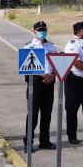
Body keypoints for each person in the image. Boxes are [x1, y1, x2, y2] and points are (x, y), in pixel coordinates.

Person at [25, 21, 57, 150]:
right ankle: (28, 142)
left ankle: (44, 140)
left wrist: (53, 75)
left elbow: (55, 62)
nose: (42, 32)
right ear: (34, 31)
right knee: (33, 114)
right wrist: (45, 76)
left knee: (47, 114)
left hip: (50, 82)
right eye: (39, 30)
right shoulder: (29, 46)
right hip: (36, 82)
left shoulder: (51, 46)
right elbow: (27, 67)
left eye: (44, 29)